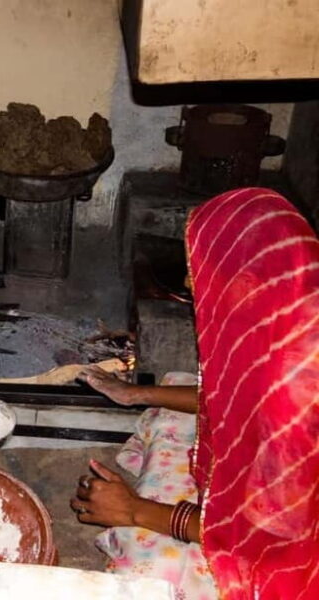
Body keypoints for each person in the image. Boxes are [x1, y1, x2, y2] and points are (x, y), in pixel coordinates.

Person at [71, 188, 319, 599]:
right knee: (171, 395)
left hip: (293, 559)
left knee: (149, 570)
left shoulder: (295, 397)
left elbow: (272, 541)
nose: (191, 288)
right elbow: (231, 398)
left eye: (201, 276)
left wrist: (135, 510)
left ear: (248, 280)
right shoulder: (295, 312)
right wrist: (136, 394)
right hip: (273, 503)